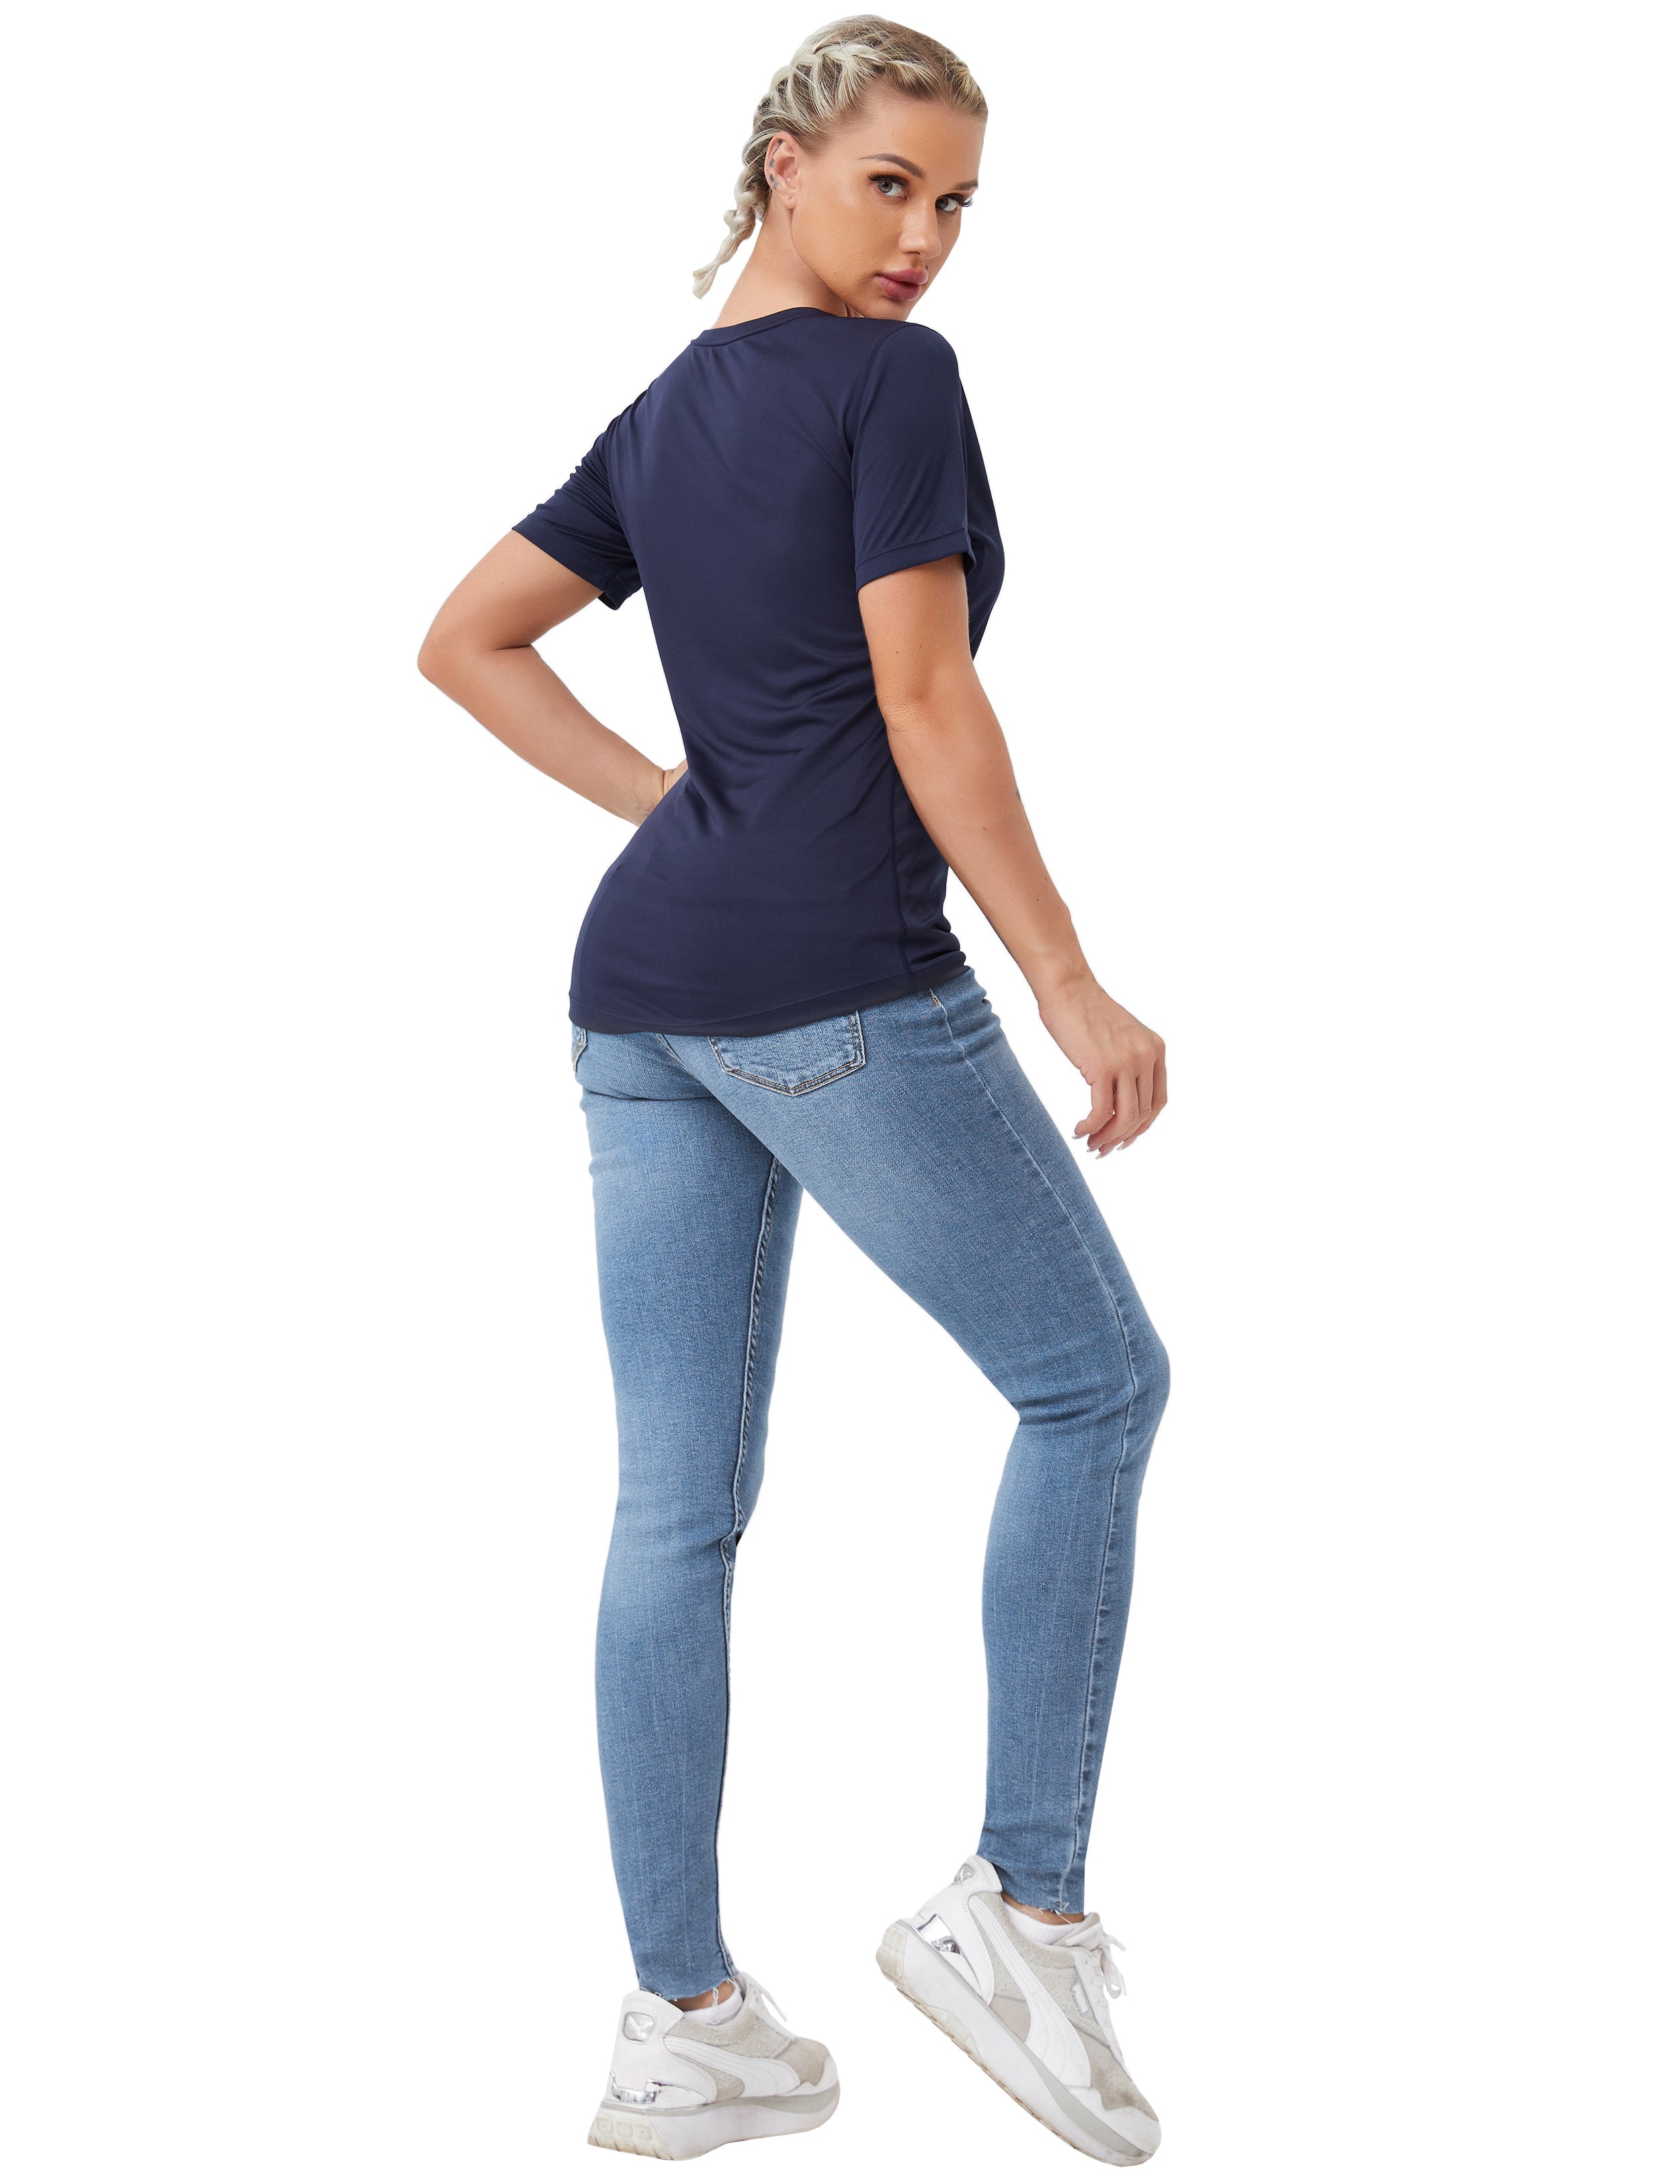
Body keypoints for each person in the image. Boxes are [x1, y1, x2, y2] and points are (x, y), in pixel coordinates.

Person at [419, 15, 1169, 2167]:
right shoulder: (885, 385)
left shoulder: (667, 410)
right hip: (832, 981)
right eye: (889, 186)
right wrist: (1064, 974)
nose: (925, 239)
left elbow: (468, 640)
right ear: (783, 165)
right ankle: (1021, 1909)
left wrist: (679, 818)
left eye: (957, 205)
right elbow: (924, 701)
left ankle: (684, 2022)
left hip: (640, 998)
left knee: (674, 1506)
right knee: (1096, 1385)